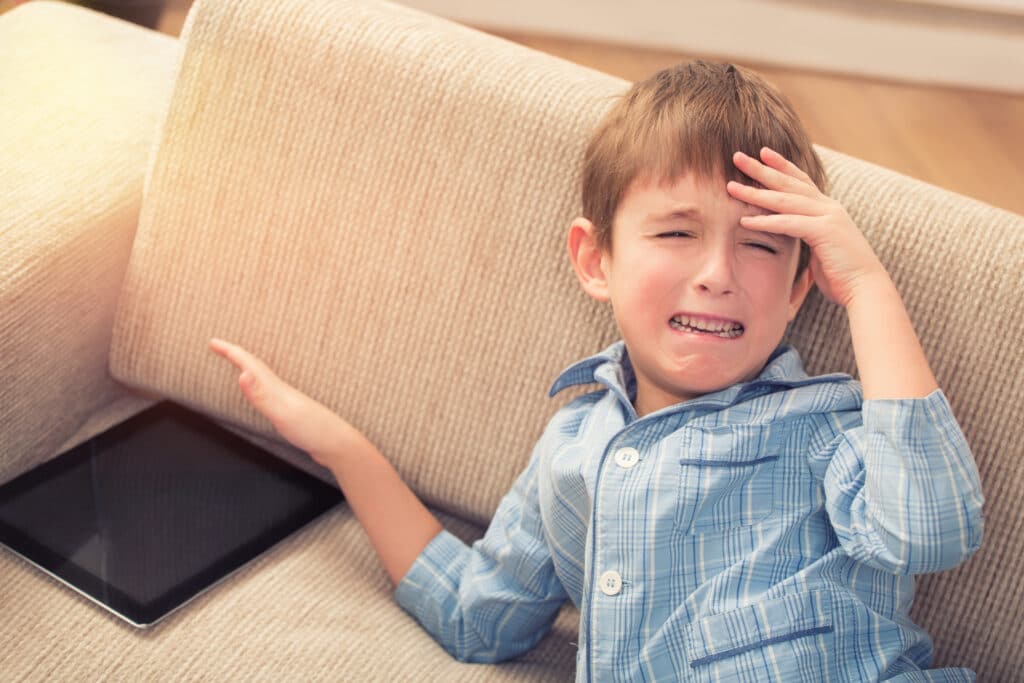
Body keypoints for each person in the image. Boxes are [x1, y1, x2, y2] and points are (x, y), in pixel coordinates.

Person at [209, 61, 984, 681]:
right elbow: (479, 617)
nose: (718, 272)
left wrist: (870, 289)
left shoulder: (827, 426)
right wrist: (343, 449)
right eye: (678, 231)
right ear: (594, 259)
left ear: (798, 290)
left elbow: (931, 527)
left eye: (759, 244)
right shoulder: (573, 449)